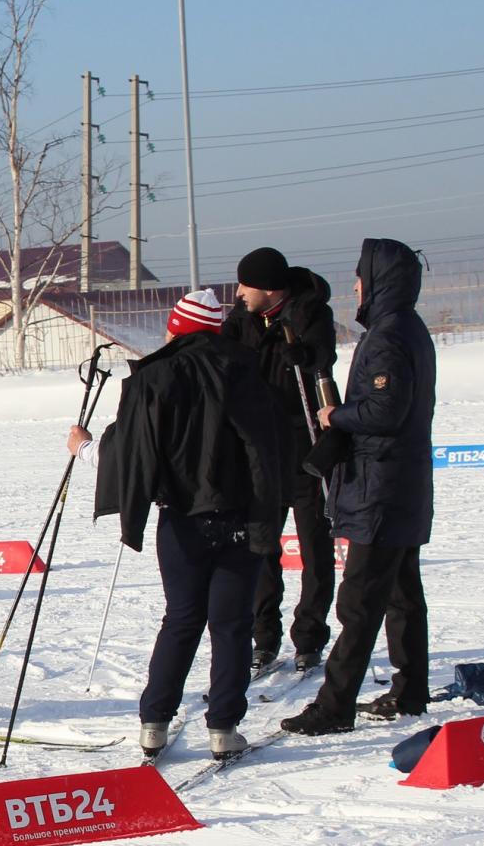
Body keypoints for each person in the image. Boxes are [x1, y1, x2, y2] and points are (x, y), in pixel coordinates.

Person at [68, 288, 285, 759]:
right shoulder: (243, 369)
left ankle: (154, 722)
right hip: (238, 517)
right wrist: (267, 519)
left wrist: (85, 448)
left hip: (181, 520)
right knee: (231, 625)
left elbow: (128, 455)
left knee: (181, 619)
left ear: (179, 327)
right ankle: (223, 728)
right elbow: (265, 453)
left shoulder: (155, 376)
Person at [282, 238, 436, 736]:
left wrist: (335, 415)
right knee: (401, 593)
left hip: (381, 486)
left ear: (378, 281)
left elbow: (385, 411)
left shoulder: (390, 336)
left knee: (360, 601)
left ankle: (334, 706)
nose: (353, 285)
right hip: (397, 483)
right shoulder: (406, 329)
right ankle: (410, 691)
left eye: (359, 276)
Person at [221, 246, 339, 674]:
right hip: (260, 447)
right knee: (262, 546)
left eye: (246, 285)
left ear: (270, 289)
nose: (238, 293)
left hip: (305, 444)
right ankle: (263, 636)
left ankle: (309, 636)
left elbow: (325, 359)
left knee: (313, 545)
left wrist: (305, 357)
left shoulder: (308, 311)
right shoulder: (239, 320)